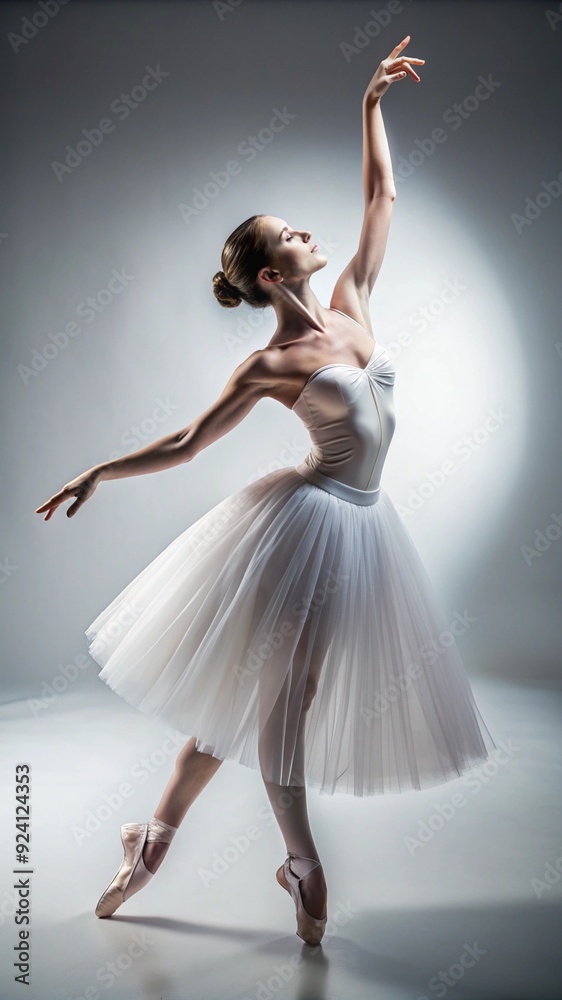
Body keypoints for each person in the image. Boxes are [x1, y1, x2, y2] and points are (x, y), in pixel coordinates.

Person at [35, 37, 495, 947]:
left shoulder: (358, 302)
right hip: (306, 531)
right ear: (274, 278)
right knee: (280, 707)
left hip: (364, 533)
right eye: (290, 235)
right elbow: (186, 441)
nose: (308, 233)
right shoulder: (270, 364)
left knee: (254, 707)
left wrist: (370, 104)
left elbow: (380, 197)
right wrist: (98, 471)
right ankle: (302, 858)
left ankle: (149, 841)